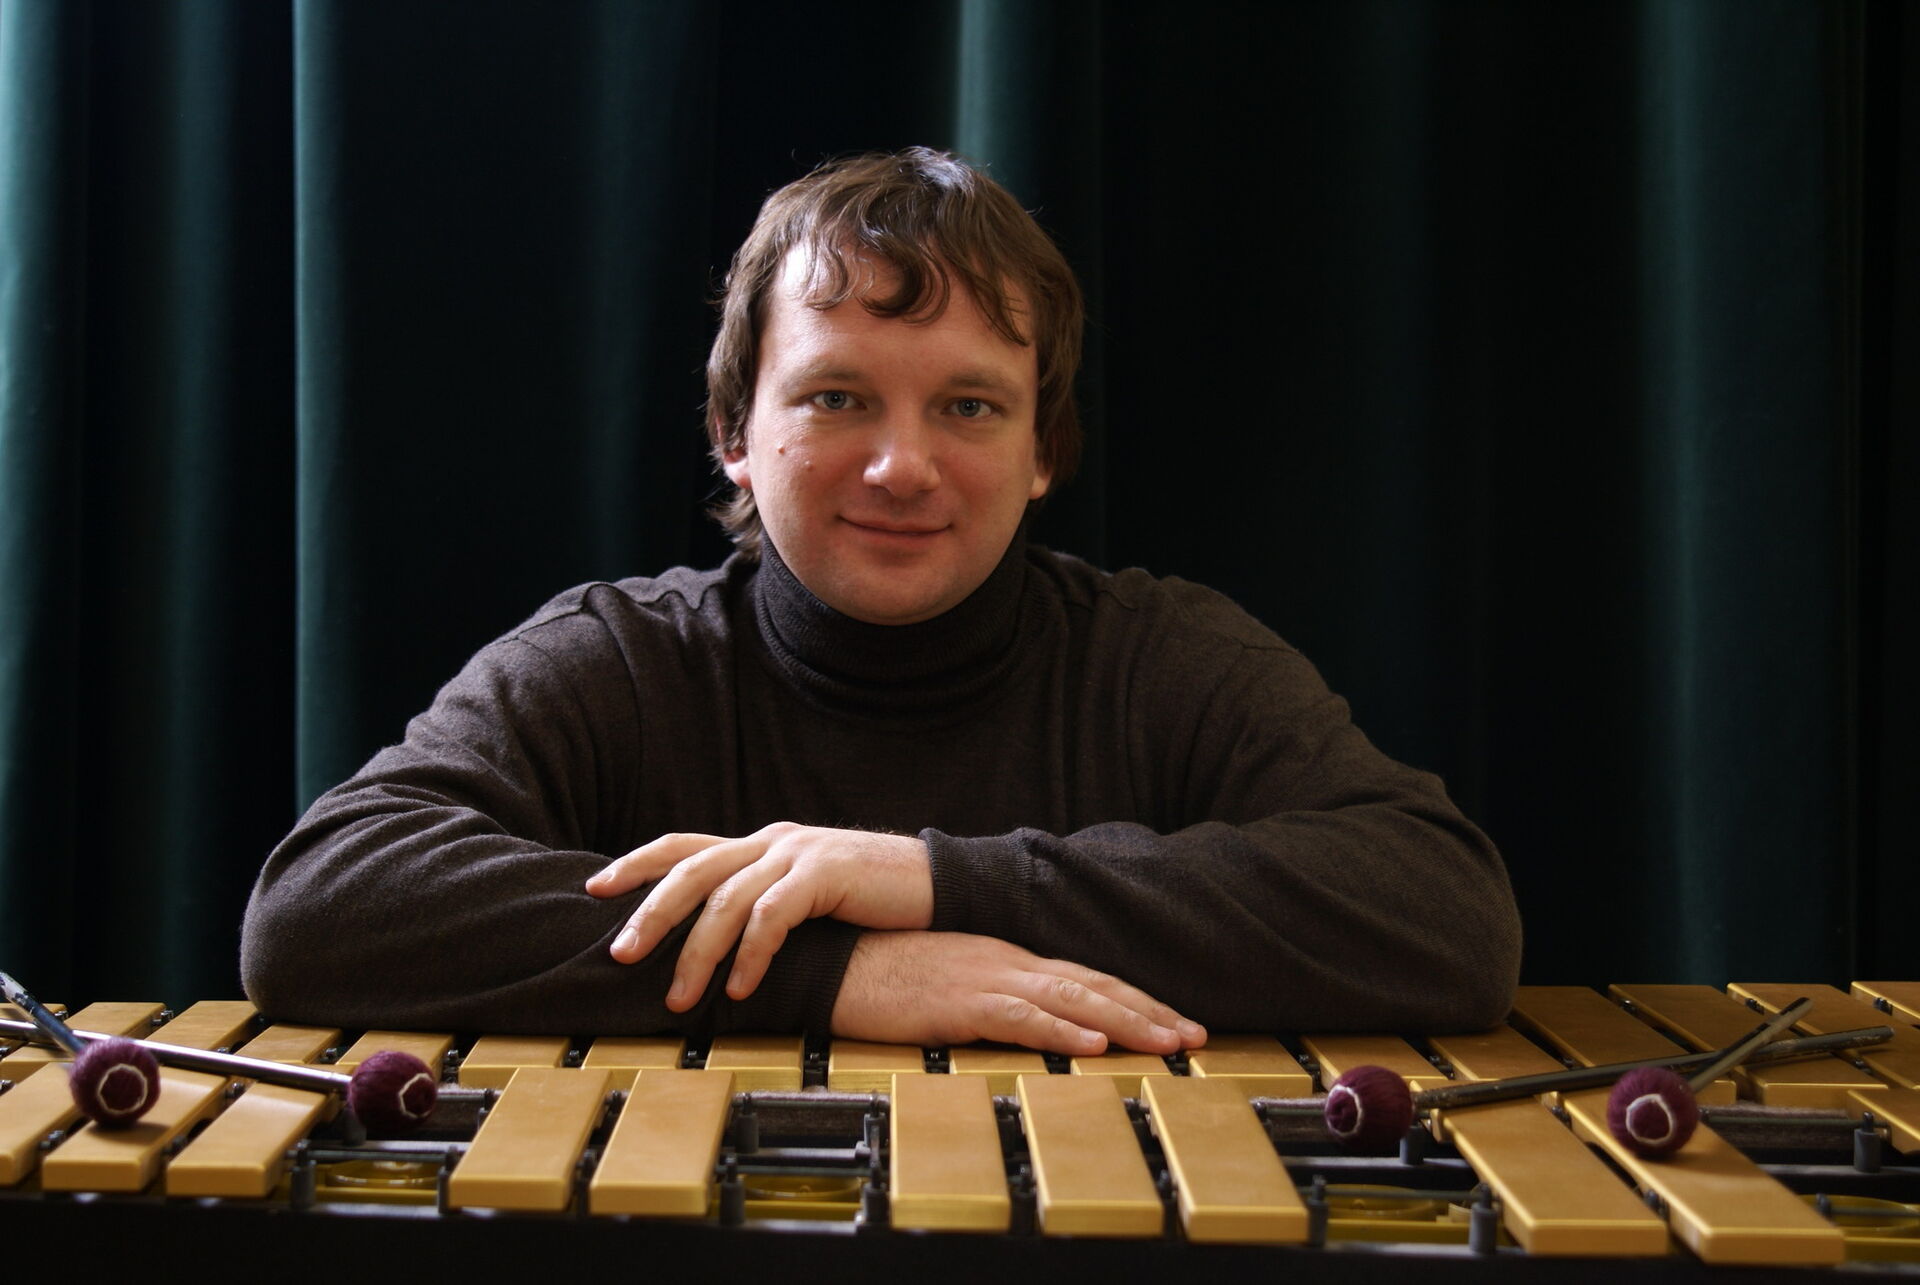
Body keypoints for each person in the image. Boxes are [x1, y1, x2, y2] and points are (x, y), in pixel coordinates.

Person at [241, 148, 1521, 1054]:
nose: (902, 466)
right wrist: (838, 971)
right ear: (734, 434)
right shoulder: (616, 661)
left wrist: (924, 878)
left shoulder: (1164, 658)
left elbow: (1448, 915)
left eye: (968, 405)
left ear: (1041, 450)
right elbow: (319, 909)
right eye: (837, 397)